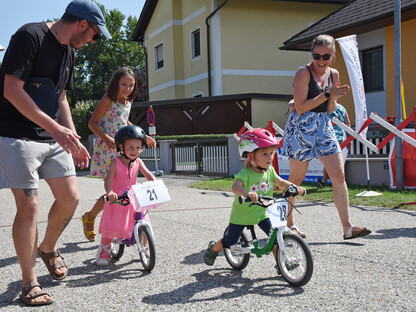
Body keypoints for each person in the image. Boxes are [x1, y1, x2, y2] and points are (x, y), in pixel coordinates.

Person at [0, 0, 111, 306]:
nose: (92, 42)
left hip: (52, 136)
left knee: (70, 198)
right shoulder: (29, 36)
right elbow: (11, 90)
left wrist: (71, 136)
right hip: (16, 135)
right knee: (30, 207)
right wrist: (55, 129)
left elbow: (60, 96)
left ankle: (48, 247)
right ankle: (29, 282)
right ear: (82, 25)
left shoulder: (69, 52)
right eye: (94, 35)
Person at [282, 34, 371, 240]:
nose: (321, 61)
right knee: (296, 180)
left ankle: (348, 228)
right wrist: (328, 94)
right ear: (311, 54)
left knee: (338, 175)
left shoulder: (334, 74)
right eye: (316, 55)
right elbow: (301, 107)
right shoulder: (303, 73)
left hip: (324, 125)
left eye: (326, 56)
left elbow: (330, 109)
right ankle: (289, 224)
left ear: (333, 55)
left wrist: (334, 99)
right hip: (301, 127)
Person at [204, 128, 306, 266]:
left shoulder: (269, 170)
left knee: (275, 237)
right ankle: (213, 249)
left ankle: (282, 264)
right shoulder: (245, 174)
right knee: (230, 241)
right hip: (241, 215)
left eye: (271, 153)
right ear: (250, 156)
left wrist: (293, 187)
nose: (270, 157)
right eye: (264, 154)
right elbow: (235, 187)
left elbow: (280, 182)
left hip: (262, 213)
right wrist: (247, 193)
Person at [81, 67, 156, 242]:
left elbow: (124, 122)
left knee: (125, 190)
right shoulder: (108, 99)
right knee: (113, 191)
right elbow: (92, 123)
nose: (127, 88)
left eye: (131, 85)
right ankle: (90, 217)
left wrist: (143, 135)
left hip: (123, 147)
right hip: (107, 148)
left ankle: (123, 226)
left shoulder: (127, 102)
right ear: (116, 83)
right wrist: (107, 139)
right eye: (124, 84)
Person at [96, 125, 156, 266]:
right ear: (121, 147)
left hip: (134, 198)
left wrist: (156, 184)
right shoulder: (115, 163)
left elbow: (148, 174)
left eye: (138, 147)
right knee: (112, 225)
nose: (134, 151)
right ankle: (104, 250)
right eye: (130, 147)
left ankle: (145, 247)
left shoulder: (138, 162)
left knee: (144, 221)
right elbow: (109, 180)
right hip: (117, 199)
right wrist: (110, 192)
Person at [317, 103, 351, 187]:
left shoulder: (326, 106)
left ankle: (324, 182)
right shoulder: (342, 107)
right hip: (341, 137)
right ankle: (340, 181)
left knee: (329, 161)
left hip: (330, 136)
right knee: (340, 161)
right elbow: (348, 123)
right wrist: (349, 139)